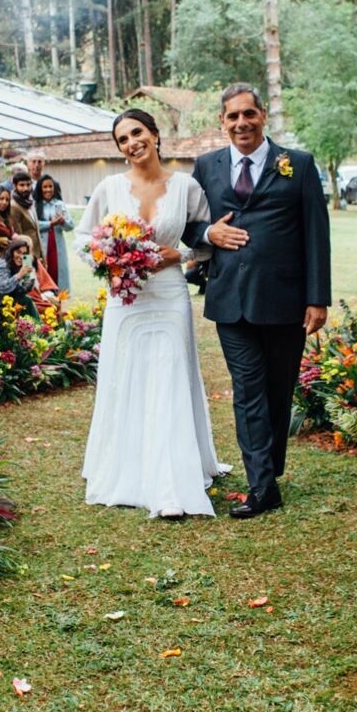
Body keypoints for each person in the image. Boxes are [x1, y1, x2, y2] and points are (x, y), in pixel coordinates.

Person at [187, 84, 333, 518]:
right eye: (232, 117)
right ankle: (261, 485)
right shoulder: (206, 166)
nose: (241, 124)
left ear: (263, 115)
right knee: (248, 389)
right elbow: (189, 223)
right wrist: (207, 234)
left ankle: (268, 468)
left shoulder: (298, 164)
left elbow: (316, 233)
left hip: (286, 298)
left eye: (248, 114)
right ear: (221, 122)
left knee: (277, 390)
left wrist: (317, 298)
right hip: (230, 298)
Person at [78, 109, 226, 517]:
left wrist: (182, 254)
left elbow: (208, 238)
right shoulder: (109, 188)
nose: (132, 143)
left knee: (170, 375)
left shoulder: (186, 187)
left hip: (169, 294)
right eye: (123, 139)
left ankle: (172, 475)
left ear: (156, 135)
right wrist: (109, 260)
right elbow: (82, 239)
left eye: (137, 133)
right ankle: (127, 466)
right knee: (125, 374)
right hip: (125, 299)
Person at [0, 233, 52, 318]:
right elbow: (1, 288)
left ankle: (36, 329)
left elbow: (20, 290)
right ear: (12, 251)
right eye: (18, 252)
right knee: (25, 303)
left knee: (26, 300)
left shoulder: (19, 265)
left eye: (24, 254)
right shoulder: (3, 265)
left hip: (2, 302)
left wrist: (29, 278)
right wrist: (19, 275)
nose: (21, 256)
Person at [33, 172, 75, 293]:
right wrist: (50, 224)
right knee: (44, 274)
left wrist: (62, 222)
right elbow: (34, 225)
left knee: (58, 274)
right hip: (42, 246)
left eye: (50, 186)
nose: (48, 190)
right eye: (45, 187)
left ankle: (58, 304)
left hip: (57, 247)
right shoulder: (35, 205)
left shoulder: (59, 204)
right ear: (40, 189)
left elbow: (70, 225)